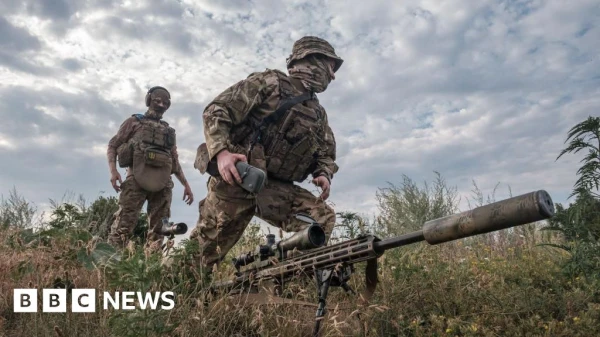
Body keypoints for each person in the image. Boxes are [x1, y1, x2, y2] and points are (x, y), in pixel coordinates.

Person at [191, 36, 342, 272]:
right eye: (330, 66)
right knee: (202, 256)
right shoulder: (269, 83)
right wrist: (221, 154)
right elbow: (217, 110)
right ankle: (166, 296)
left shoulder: (318, 114)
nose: (332, 75)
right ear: (311, 60)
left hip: (274, 190)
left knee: (321, 219)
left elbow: (325, 152)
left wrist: (323, 173)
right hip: (237, 180)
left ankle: (284, 278)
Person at [106, 86, 194, 251]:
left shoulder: (168, 131)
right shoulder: (134, 122)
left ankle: (152, 271)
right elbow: (113, 145)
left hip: (162, 184)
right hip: (135, 181)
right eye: (157, 100)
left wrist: (186, 185)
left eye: (165, 102)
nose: (161, 105)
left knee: (159, 231)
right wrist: (113, 171)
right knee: (122, 229)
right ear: (148, 101)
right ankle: (109, 269)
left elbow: (174, 160)